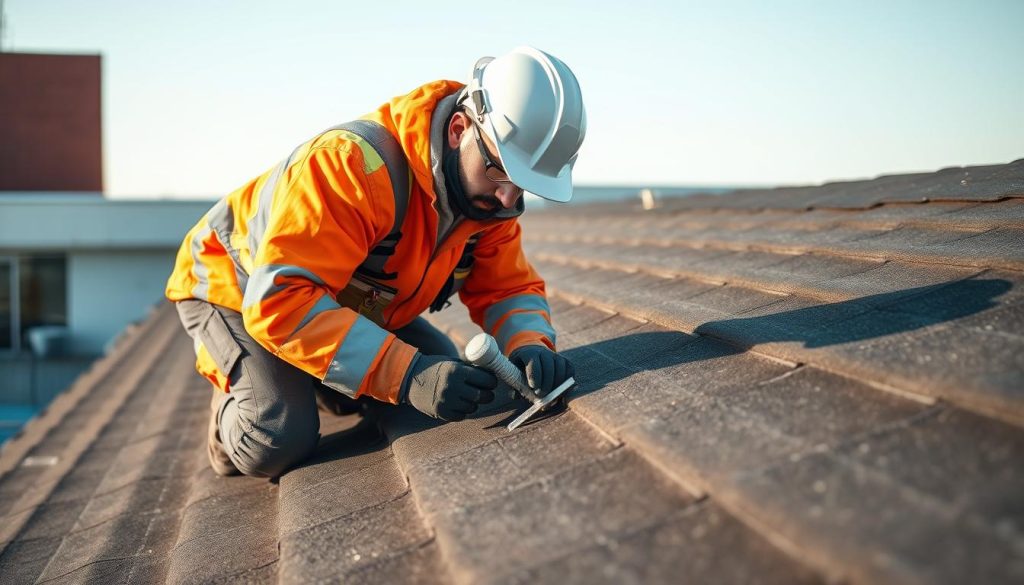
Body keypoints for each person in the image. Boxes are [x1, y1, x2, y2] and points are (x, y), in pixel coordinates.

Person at [165, 47, 586, 478]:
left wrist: (529, 344)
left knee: (442, 366)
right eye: (500, 173)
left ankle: (310, 376)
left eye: (523, 187)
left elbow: (506, 288)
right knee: (276, 435)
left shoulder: (491, 202)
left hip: (328, 296)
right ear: (460, 129)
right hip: (236, 283)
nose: (507, 200)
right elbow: (282, 300)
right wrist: (407, 375)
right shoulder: (352, 167)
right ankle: (234, 415)